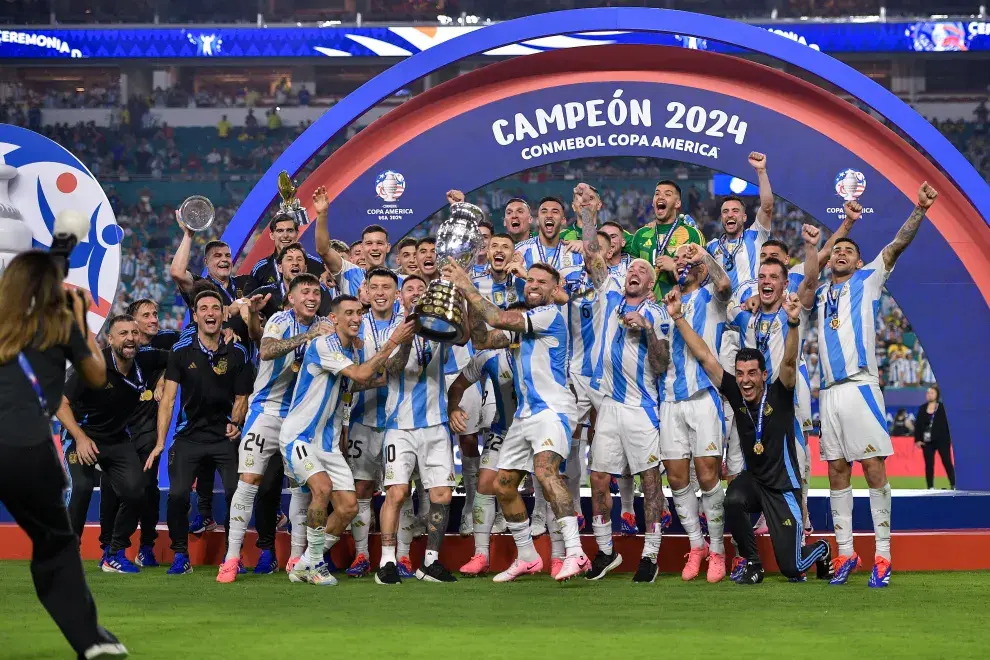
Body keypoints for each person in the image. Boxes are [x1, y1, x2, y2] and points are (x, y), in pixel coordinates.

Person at [0, 251, 127, 658]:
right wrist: (84, 325)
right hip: (26, 450)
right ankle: (88, 639)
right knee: (55, 547)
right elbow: (97, 375)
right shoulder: (59, 326)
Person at [813, 183, 938, 588]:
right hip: (828, 392)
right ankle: (846, 552)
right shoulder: (818, 292)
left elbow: (897, 244)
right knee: (835, 470)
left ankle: (882, 555)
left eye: (848, 249)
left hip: (860, 386)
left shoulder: (868, 279)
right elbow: (813, 262)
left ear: (861, 260)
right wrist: (837, 230)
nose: (841, 253)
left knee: (872, 467)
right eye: (837, 250)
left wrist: (919, 209)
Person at [665, 286, 833, 584]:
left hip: (783, 487)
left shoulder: (780, 393)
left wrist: (793, 324)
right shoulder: (734, 390)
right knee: (732, 499)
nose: (744, 380)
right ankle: (753, 563)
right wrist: (678, 317)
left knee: (793, 568)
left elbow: (790, 362)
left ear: (764, 375)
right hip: (755, 482)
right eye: (740, 373)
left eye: (751, 373)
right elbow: (705, 356)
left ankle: (820, 550)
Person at [448, 260, 590, 582]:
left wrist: (466, 284)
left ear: (555, 291)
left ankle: (575, 552)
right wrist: (463, 297)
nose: (534, 285)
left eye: (542, 282)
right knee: (504, 484)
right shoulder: (521, 333)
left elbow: (497, 317)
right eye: (531, 281)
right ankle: (527, 556)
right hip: (525, 415)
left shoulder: (550, 315)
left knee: (545, 471)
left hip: (552, 409)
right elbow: (484, 339)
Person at [281, 295, 413, 586]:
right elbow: (362, 373)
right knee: (322, 488)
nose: (356, 318)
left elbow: (357, 383)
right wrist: (392, 341)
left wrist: (403, 349)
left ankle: (305, 562)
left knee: (349, 508)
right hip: (299, 436)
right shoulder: (324, 344)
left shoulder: (350, 352)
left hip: (326, 444)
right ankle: (315, 563)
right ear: (334, 319)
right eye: (349, 313)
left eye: (359, 314)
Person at [579, 199, 672, 583]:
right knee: (598, 478)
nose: (633, 272)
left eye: (641, 271)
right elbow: (592, 257)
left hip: (641, 407)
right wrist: (587, 217)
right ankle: (605, 551)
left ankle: (650, 555)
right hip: (609, 405)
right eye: (631, 268)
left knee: (650, 481)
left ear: (651, 285)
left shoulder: (659, 315)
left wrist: (646, 331)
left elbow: (663, 363)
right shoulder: (610, 297)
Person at [217, 274, 333, 583]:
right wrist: (306, 338)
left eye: (315, 292)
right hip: (266, 413)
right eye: (304, 291)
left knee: (300, 486)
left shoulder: (326, 326)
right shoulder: (280, 320)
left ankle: (296, 556)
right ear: (291, 298)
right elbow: (267, 350)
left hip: (299, 418)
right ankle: (230, 558)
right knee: (249, 480)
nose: (311, 296)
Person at [725, 225, 822, 577]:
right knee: (755, 465)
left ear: (784, 283)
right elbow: (723, 295)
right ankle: (763, 532)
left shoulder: (791, 310)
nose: (766, 281)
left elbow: (810, 282)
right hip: (756, 407)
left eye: (773, 276)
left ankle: (803, 529)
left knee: (798, 467)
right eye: (761, 275)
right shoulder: (746, 316)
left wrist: (812, 247)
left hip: (787, 401)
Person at [146, 290, 255, 575]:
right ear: (195, 317)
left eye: (215, 308)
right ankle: (181, 555)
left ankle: (234, 556)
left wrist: (236, 422)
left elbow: (243, 396)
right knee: (178, 495)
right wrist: (160, 441)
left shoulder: (238, 351)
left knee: (236, 494)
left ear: (223, 314)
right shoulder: (181, 353)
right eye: (203, 309)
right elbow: (168, 400)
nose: (210, 313)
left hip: (224, 438)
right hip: (189, 437)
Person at [58, 315, 168, 573]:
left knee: (136, 490)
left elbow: (181, 357)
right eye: (123, 333)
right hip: (81, 436)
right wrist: (80, 437)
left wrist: (163, 377)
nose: (130, 338)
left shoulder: (145, 359)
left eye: (133, 333)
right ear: (110, 339)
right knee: (82, 487)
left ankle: (114, 553)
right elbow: (60, 403)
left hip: (117, 438)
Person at [376, 277, 458, 585]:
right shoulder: (390, 331)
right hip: (399, 426)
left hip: (435, 424)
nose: (415, 294)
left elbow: (457, 355)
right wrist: (407, 336)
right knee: (396, 493)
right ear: (400, 295)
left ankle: (430, 563)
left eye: (421, 290)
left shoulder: (441, 330)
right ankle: (387, 561)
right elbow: (394, 368)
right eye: (409, 289)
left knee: (442, 495)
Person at [659, 242, 732, 582]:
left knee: (707, 476)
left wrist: (704, 255)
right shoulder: (664, 304)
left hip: (704, 397)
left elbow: (725, 285)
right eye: (680, 260)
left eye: (690, 262)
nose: (685, 264)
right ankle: (696, 545)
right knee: (676, 477)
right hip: (671, 399)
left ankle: (717, 550)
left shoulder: (710, 299)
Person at [344, 268, 402, 577]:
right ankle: (362, 555)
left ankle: (401, 557)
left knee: (398, 489)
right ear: (366, 290)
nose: (380, 292)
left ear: (397, 293)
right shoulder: (355, 326)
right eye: (374, 286)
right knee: (362, 488)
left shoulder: (407, 325)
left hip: (400, 421)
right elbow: (349, 377)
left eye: (387, 287)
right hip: (362, 419)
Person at [450, 338, 517, 576]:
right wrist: (453, 407)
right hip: (503, 428)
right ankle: (481, 555)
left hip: (538, 426)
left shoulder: (545, 349)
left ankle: (564, 553)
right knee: (484, 486)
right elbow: (457, 385)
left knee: (548, 482)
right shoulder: (488, 357)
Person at [625, 180, 706, 298]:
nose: (660, 197)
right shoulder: (641, 235)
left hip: (681, 307)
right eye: (657, 194)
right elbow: (631, 275)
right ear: (653, 202)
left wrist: (674, 266)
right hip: (646, 309)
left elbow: (703, 275)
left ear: (677, 203)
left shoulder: (692, 234)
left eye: (667, 194)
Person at [705, 152, 774, 292]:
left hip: (751, 310)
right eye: (725, 212)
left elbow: (767, 207)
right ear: (721, 218)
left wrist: (761, 171)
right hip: (723, 312)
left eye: (735, 211)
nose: (730, 214)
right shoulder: (712, 246)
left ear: (744, 217)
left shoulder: (755, 236)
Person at [250, 243, 334, 320]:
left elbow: (329, 318)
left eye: (299, 259)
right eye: (289, 259)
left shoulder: (318, 290)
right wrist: (248, 312)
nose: (295, 263)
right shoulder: (267, 292)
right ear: (280, 268)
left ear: (305, 268)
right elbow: (241, 303)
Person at [244, 211, 324, 292]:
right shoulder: (261, 268)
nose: (285, 236)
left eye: (290, 230)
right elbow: (247, 300)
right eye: (280, 231)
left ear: (297, 233)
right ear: (272, 235)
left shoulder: (316, 264)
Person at [915, 385, 955, 489]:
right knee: (929, 465)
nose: (929, 395)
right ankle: (930, 487)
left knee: (947, 462)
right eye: (928, 393)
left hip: (942, 440)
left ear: (937, 395)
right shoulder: (922, 408)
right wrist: (918, 440)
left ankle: (954, 484)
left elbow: (949, 424)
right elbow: (918, 425)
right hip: (927, 441)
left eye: (932, 393)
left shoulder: (943, 407)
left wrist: (949, 438)